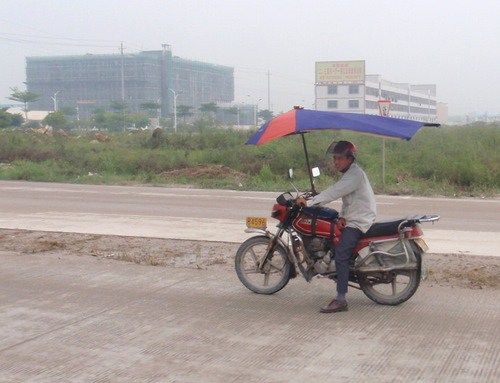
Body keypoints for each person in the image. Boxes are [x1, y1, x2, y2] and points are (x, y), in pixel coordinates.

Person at [296, 140, 376, 313]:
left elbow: (335, 191)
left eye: (339, 158)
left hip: (359, 221)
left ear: (349, 158)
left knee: (341, 255)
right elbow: (348, 201)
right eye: (335, 158)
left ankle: (341, 300)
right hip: (353, 217)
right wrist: (341, 216)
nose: (336, 162)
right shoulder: (351, 174)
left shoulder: (355, 175)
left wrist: (309, 202)